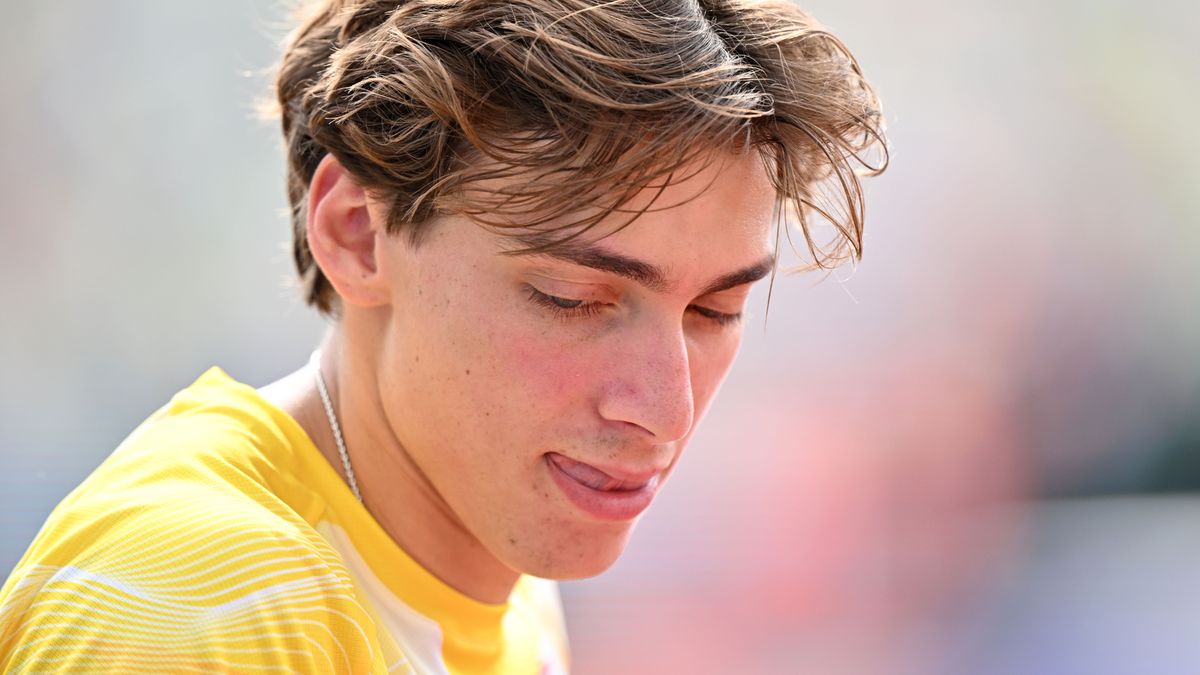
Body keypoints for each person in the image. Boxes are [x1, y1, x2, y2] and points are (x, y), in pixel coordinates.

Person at [0, 0, 886, 672]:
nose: (664, 408)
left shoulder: (504, 565)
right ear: (355, 232)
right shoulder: (203, 607)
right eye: (573, 297)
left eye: (713, 312)